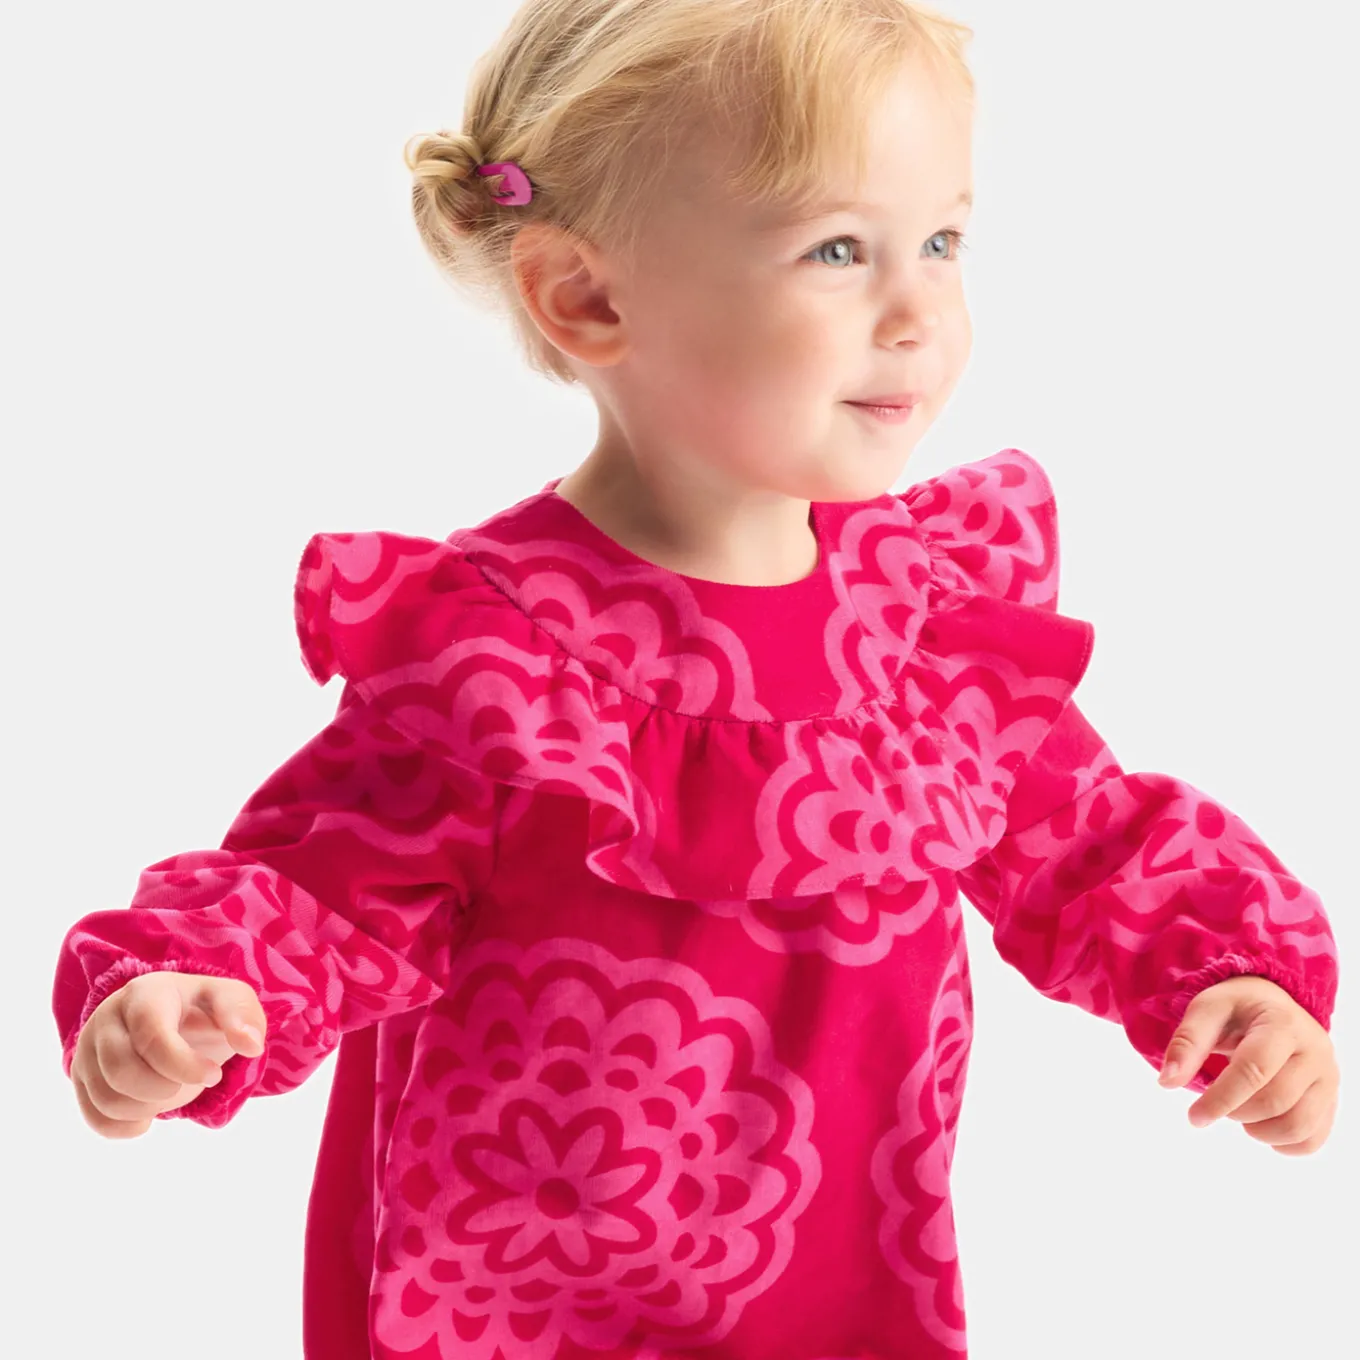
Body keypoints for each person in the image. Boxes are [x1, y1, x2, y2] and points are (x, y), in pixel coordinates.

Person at [52, 2, 1340, 1357]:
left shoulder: (920, 630)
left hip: (844, 1299)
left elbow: (1088, 841)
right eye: (838, 250)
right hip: (513, 1307)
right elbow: (319, 887)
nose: (919, 313)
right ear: (589, 298)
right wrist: (188, 994)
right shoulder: (497, 660)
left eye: (943, 242)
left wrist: (1233, 979)